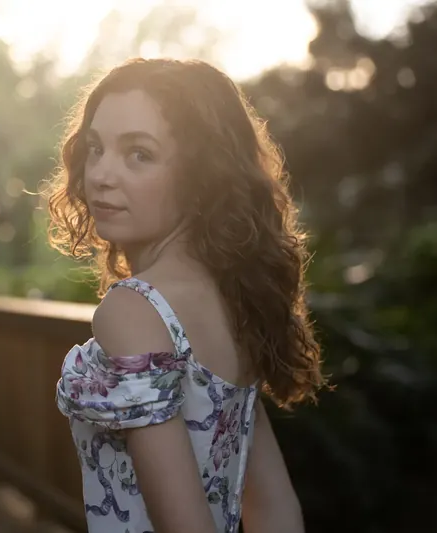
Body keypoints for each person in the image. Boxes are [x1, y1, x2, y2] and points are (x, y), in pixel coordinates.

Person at [46, 58, 325, 533]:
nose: (101, 175)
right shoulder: (229, 298)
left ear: (202, 176)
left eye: (139, 154)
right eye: (95, 148)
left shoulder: (135, 310)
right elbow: (276, 510)